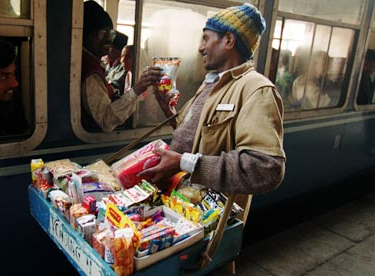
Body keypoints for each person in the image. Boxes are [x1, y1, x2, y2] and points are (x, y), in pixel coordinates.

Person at [139, 4, 286, 205]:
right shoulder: (211, 83)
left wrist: (184, 163)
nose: (200, 48)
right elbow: (198, 136)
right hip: (181, 204)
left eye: (206, 39)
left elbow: (265, 168)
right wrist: (167, 109)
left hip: (210, 215)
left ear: (228, 40)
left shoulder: (256, 89)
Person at [81, 0, 161, 132]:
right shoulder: (90, 71)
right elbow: (106, 120)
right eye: (102, 32)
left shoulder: (92, 63)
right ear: (86, 35)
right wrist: (137, 89)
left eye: (110, 33)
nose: (108, 39)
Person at [103, 31, 129, 97]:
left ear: (118, 50)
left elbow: (115, 86)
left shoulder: (124, 66)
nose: (106, 48)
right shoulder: (104, 61)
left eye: (110, 46)